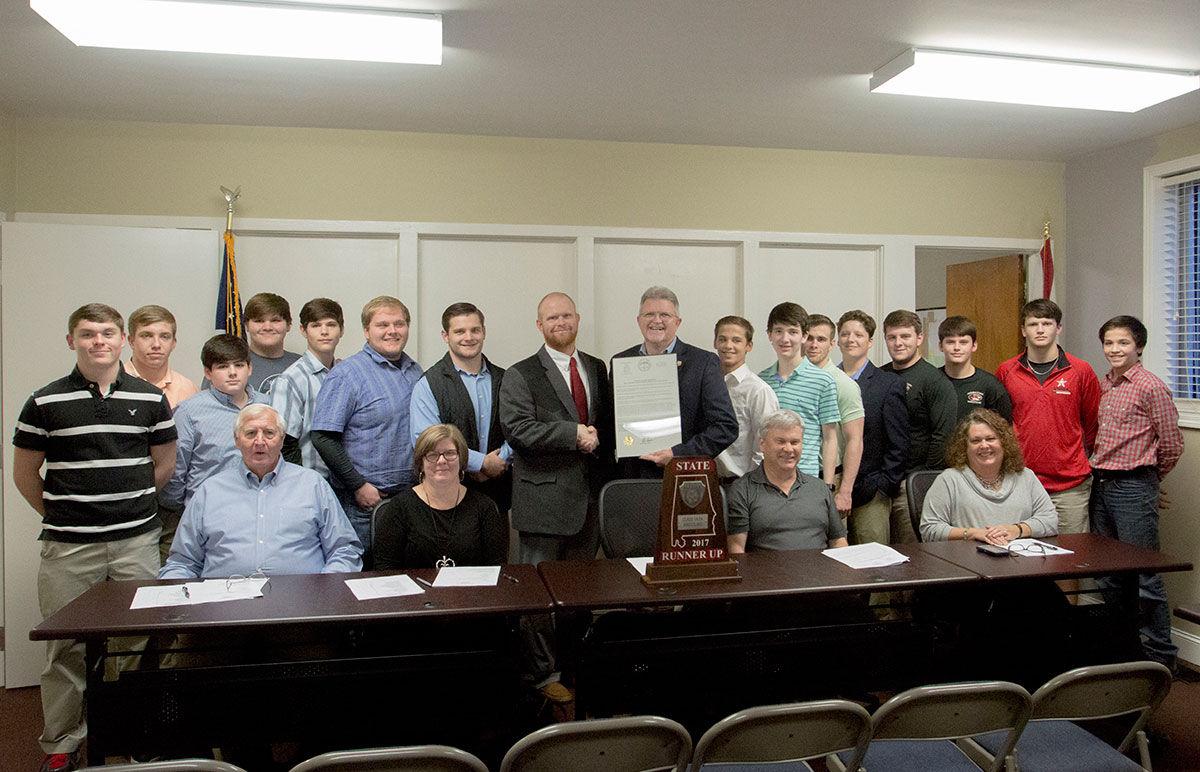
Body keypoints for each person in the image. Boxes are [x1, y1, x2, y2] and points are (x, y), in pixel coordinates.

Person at [12, 303, 177, 772]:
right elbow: (26, 474)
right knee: (66, 647)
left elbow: (163, 462)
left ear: (122, 339)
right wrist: (65, 515)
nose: (98, 341)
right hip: (69, 547)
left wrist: (133, 503)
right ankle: (63, 743)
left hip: (135, 543)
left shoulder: (149, 398)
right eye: (87, 334)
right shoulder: (44, 402)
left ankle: (121, 735)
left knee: (133, 645)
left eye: (107, 332)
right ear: (71, 341)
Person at [498, 291, 612, 709]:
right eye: (551, 317)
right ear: (539, 325)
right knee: (538, 598)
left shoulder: (596, 368)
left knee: (580, 595)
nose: (560, 322)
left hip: (590, 503)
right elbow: (517, 430)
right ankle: (542, 675)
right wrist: (572, 434)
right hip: (543, 504)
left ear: (577, 319)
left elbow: (609, 425)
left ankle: (574, 666)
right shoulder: (521, 373)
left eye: (566, 315)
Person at [160, 404, 362, 578]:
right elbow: (182, 563)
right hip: (225, 610)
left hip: (301, 607)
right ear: (237, 440)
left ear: (282, 440)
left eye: (269, 433)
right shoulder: (210, 491)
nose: (259, 441)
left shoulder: (312, 485)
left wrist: (322, 589)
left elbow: (345, 550)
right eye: (250, 433)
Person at [1090, 315, 1184, 670]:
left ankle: (1161, 656)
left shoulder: (1150, 386)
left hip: (1133, 484)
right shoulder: (1107, 384)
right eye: (1109, 343)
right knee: (1108, 572)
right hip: (1102, 483)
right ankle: (1123, 648)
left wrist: (1147, 480)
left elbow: (1172, 444)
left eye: (1123, 343)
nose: (1115, 350)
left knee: (1144, 573)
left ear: (1139, 346)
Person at [311, 296, 423, 552]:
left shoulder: (415, 371)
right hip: (363, 505)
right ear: (366, 331)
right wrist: (358, 485)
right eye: (383, 325)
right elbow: (323, 437)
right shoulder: (347, 374)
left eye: (399, 324)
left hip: (410, 498)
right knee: (365, 581)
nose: (392, 331)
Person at [996, 299, 1100, 537]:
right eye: (1033, 324)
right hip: (1020, 480)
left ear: (1058, 328)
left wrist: (1073, 456)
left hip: (1069, 486)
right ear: (1023, 330)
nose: (1040, 329)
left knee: (1073, 560)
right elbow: (999, 423)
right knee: (1022, 559)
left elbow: (1093, 423)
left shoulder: (1080, 371)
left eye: (1047, 323)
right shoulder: (1007, 371)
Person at [613, 286, 737, 475]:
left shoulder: (703, 363)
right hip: (632, 477)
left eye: (665, 315)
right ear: (638, 321)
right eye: (649, 314)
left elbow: (725, 427)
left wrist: (678, 453)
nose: (656, 320)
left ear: (677, 322)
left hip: (684, 478)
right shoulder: (620, 362)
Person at [409, 302, 512, 514]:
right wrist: (480, 463)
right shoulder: (429, 383)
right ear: (445, 336)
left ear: (484, 332)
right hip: (446, 497)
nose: (469, 337)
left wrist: (500, 459)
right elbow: (425, 439)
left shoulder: (506, 379)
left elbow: (519, 427)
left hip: (499, 494)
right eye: (459, 331)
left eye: (475, 330)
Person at [374, 424, 508, 570]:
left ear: (462, 459)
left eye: (450, 453)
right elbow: (385, 568)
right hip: (415, 592)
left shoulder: (484, 507)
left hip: (470, 592)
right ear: (421, 463)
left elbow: (497, 569)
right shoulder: (399, 507)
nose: (442, 461)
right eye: (432, 455)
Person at [124, 304, 199, 563]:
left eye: (164, 336)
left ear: (174, 342)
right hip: (126, 500)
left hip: (171, 503)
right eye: (146, 336)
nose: (156, 344)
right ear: (130, 340)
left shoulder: (187, 388)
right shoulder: (112, 383)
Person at [919, 408, 1059, 543]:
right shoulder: (948, 480)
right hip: (967, 562)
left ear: (1004, 443)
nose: (984, 446)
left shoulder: (1026, 476)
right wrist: (974, 533)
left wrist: (1016, 530)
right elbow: (929, 529)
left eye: (991, 439)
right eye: (976, 441)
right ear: (964, 447)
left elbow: (1050, 520)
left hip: (1020, 560)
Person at [880, 309, 957, 543]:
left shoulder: (935, 382)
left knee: (910, 552)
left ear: (919, 339)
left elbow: (943, 436)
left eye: (905, 336)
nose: (898, 343)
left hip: (912, 483)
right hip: (882, 483)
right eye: (892, 337)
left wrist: (920, 479)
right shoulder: (880, 376)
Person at [163, 334, 266, 508]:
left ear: (249, 368)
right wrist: (186, 510)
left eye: (239, 365)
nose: (232, 372)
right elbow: (176, 471)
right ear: (208, 372)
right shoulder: (189, 412)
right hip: (207, 511)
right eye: (223, 367)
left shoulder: (268, 406)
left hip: (260, 509)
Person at [727, 410, 847, 553]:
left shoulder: (819, 488)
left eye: (795, 442)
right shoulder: (742, 489)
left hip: (819, 573)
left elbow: (838, 540)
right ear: (762, 444)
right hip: (767, 574)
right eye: (780, 441)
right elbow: (736, 548)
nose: (789, 449)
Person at [837, 310, 909, 546]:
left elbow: (898, 442)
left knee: (874, 560)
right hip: (832, 487)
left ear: (869, 342)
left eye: (858, 334)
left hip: (871, 489)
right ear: (837, 340)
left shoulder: (888, 384)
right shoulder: (825, 380)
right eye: (845, 334)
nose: (851, 339)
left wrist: (885, 484)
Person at [758, 302, 840, 488]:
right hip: (766, 481)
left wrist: (826, 486)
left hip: (806, 482)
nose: (785, 338)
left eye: (792, 332)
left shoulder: (823, 381)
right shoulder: (761, 381)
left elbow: (829, 438)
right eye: (778, 331)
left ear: (804, 336)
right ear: (769, 335)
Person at [270, 297, 345, 481]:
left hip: (344, 483)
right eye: (316, 325)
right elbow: (284, 443)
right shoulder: (291, 380)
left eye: (331, 325)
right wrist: (299, 486)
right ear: (304, 330)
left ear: (341, 330)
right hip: (308, 481)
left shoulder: (345, 374)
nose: (324, 332)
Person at [803, 313, 865, 516]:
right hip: (796, 474)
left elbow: (854, 440)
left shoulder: (844, 384)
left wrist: (845, 491)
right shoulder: (793, 379)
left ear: (832, 344)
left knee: (832, 543)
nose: (813, 345)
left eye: (821, 339)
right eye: (809, 338)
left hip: (829, 477)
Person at [712, 315, 778, 483]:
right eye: (723, 339)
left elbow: (765, 445)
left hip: (742, 483)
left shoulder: (758, 390)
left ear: (749, 346)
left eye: (736, 340)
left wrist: (751, 485)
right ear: (715, 343)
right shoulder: (707, 384)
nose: (728, 346)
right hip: (707, 481)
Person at [200, 292, 301, 394]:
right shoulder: (225, 365)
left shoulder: (301, 365)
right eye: (259, 321)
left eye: (275, 320)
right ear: (246, 326)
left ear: (288, 325)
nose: (267, 327)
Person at [938, 315, 1013, 422]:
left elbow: (1003, 430)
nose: (957, 348)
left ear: (974, 346)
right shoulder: (932, 381)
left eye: (963, 342)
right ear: (940, 346)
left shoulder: (991, 386)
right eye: (950, 342)